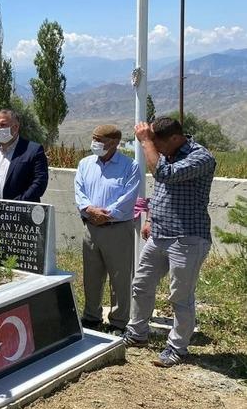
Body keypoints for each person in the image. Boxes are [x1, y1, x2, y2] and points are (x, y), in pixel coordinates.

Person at [124, 117, 216, 367]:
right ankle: (137, 333)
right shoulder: (166, 150)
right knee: (141, 284)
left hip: (187, 238)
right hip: (160, 234)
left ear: (175, 138)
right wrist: (151, 219)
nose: (156, 148)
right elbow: (161, 191)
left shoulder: (201, 158)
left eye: (158, 143)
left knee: (180, 296)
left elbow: (165, 175)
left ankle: (177, 348)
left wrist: (145, 141)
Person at [74, 125, 141, 334]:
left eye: (99, 139)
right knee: (92, 275)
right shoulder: (85, 164)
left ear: (113, 143)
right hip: (91, 228)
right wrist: (89, 209)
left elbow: (128, 197)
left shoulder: (130, 166)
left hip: (117, 229)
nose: (94, 142)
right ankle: (92, 316)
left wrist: (107, 215)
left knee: (119, 277)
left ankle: (118, 321)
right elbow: (79, 190)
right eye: (93, 138)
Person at [0, 109, 49, 202]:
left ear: (16, 127)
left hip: (19, 212)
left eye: (3, 125)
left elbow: (40, 182)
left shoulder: (33, 150)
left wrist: (18, 203)